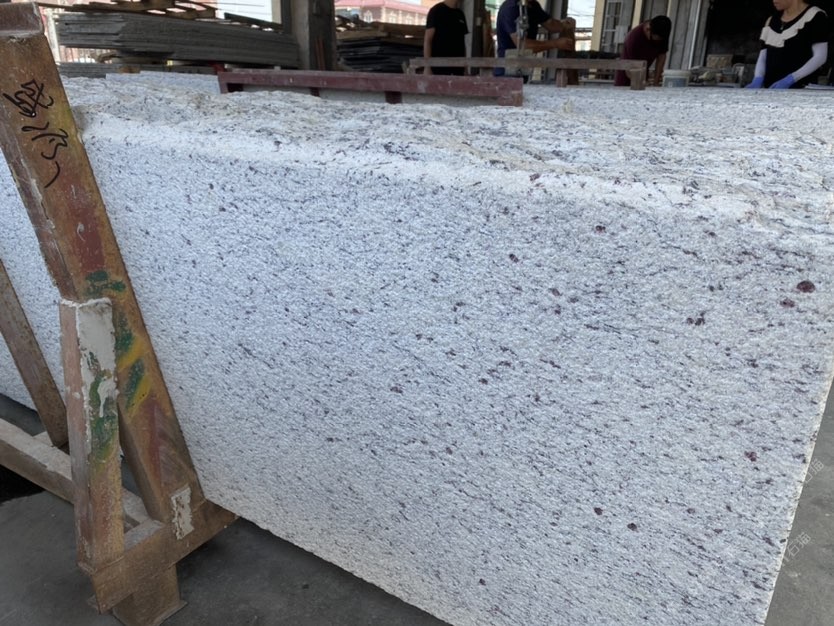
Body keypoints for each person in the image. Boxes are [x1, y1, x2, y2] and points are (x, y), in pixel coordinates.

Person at [746, 0, 829, 89]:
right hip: (770, 89)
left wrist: (791, 79)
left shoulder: (815, 16)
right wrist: (758, 78)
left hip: (802, 90)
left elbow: (820, 57)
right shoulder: (772, 20)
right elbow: (763, 54)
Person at [494, 0, 576, 77]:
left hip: (523, 68)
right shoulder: (510, 9)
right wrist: (555, 44)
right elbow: (523, 45)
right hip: (506, 71)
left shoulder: (533, 5)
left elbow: (551, 25)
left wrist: (564, 25)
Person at [614, 15, 672, 87]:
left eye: (660, 40)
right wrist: (642, 82)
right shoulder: (633, 39)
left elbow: (661, 57)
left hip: (643, 75)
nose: (658, 42)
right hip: (625, 79)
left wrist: (656, 82)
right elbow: (629, 68)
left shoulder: (662, 34)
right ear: (648, 29)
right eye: (656, 39)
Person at [423, 0, 469, 76]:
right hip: (438, 68)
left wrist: (465, 67)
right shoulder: (436, 11)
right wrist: (427, 67)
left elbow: (462, 43)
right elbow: (428, 40)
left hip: (458, 69)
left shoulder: (460, 14)